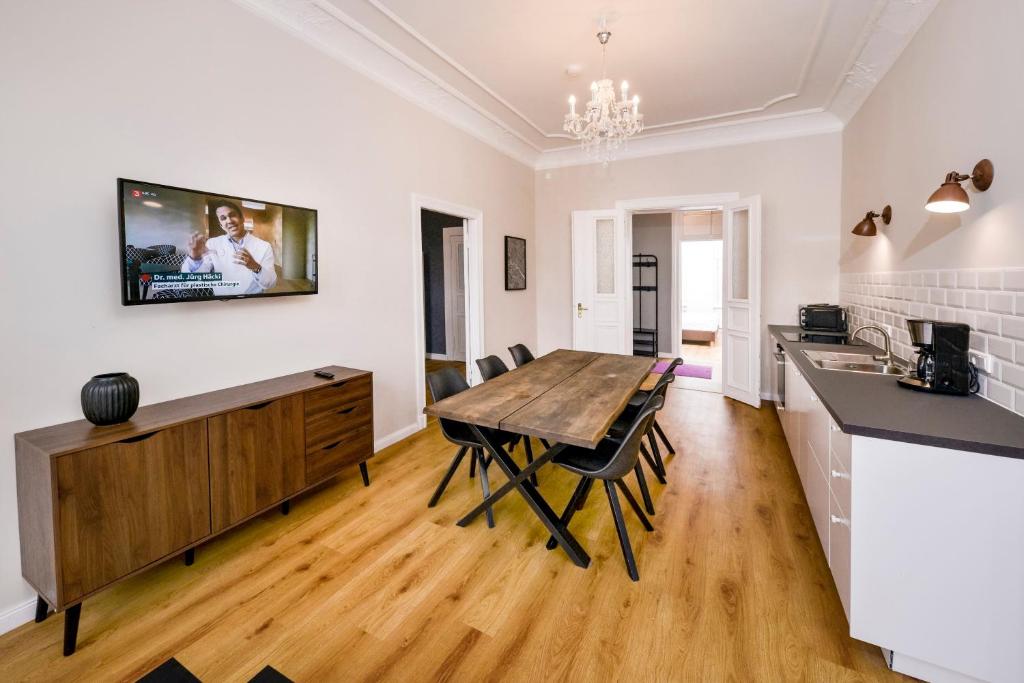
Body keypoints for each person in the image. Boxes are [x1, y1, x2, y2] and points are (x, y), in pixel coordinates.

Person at [181, 199, 277, 295]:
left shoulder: (264, 246)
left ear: (242, 218)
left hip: (252, 302)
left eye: (232, 215)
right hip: (223, 304)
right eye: (223, 218)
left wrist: (255, 267)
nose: (229, 221)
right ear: (221, 225)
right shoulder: (212, 244)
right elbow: (193, 281)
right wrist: (195, 258)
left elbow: (270, 283)